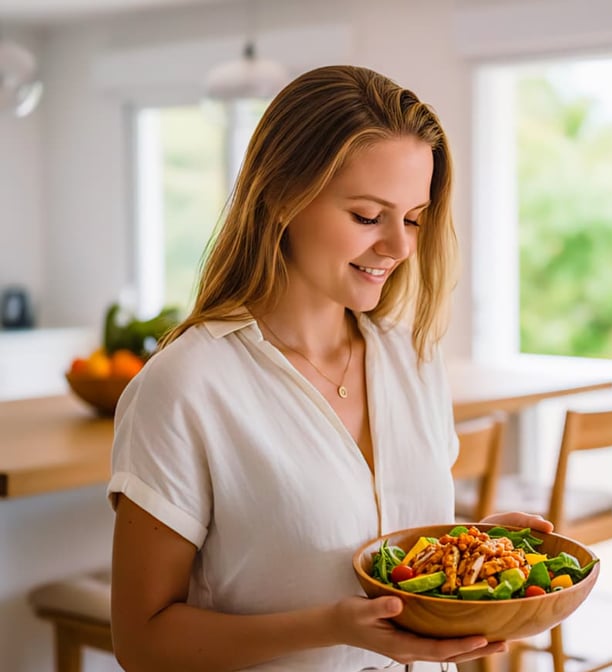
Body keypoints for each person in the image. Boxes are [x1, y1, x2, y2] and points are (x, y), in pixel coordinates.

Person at [108, 64, 553, 672]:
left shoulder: (412, 358)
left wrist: (465, 552)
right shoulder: (186, 386)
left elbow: (400, 543)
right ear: (282, 197)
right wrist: (333, 627)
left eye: (414, 218)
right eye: (368, 216)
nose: (398, 246)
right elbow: (142, 642)